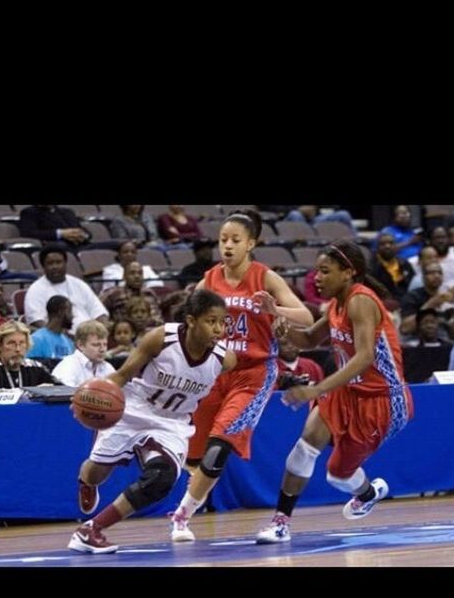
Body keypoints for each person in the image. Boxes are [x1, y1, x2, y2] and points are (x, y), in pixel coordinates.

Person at [252, 240, 413, 542]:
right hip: (346, 392)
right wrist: (277, 316)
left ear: (348, 272)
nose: (317, 278)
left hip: (381, 401)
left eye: (325, 271)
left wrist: (317, 390)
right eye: (316, 271)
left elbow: (364, 357)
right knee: (305, 446)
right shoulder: (338, 303)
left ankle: (367, 493)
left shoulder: (361, 301)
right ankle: (280, 523)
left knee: (337, 476)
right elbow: (310, 339)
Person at [168, 208, 314, 543]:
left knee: (221, 444)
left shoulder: (265, 277)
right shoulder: (210, 279)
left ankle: (181, 515)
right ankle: (190, 501)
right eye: (223, 240)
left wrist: (274, 310)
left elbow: (305, 316)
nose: (227, 246)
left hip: (254, 373)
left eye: (235, 240)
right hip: (214, 371)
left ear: (251, 243)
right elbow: (189, 321)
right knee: (195, 453)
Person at [68, 288, 236, 554]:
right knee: (95, 472)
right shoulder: (161, 338)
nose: (218, 329)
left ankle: (91, 529)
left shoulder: (225, 359)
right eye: (210, 321)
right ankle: (86, 481)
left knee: (162, 478)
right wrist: (84, 397)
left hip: (172, 422)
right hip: (134, 409)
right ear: (191, 321)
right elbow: (123, 375)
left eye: (222, 322)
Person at [24, 243, 108, 332]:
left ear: (65, 263)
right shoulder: (35, 290)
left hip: (90, 337)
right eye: (50, 263)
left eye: (59, 262)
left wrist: (100, 331)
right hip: (59, 339)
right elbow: (37, 321)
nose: (55, 267)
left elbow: (99, 312)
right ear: (43, 266)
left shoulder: (78, 284)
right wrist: (63, 338)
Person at [0, 321, 59, 390]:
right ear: (0, 346)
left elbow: (62, 390)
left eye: (22, 343)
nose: (18, 349)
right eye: (11, 343)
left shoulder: (36, 367)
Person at [100, 261, 164, 327]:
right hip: (125, 333)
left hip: (155, 330)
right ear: (124, 276)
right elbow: (98, 311)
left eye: (140, 273)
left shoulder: (150, 293)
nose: (137, 276)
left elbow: (159, 315)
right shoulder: (114, 293)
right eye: (132, 273)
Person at [52, 320, 114, 387]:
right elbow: (63, 395)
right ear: (81, 345)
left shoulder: (107, 367)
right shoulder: (68, 366)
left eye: (105, 344)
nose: (102, 349)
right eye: (96, 345)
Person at [401, 307, 454, 383]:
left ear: (437, 324)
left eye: (432, 322)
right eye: (425, 322)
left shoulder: (449, 348)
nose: (429, 326)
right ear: (418, 326)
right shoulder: (411, 350)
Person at [25, 295, 75, 363]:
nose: (73, 316)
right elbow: (32, 369)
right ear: (60, 312)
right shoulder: (36, 340)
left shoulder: (69, 342)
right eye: (69, 311)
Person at [18, 205, 91, 248]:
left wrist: (83, 235)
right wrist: (60, 234)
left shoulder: (67, 212)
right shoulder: (29, 212)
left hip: (79, 244)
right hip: (55, 245)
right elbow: (29, 233)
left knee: (100, 246)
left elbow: (81, 229)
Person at [370, 233, 415, 302]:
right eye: (383, 244)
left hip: (406, 301)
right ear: (377, 247)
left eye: (391, 243)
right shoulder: (372, 267)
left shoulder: (404, 264)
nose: (387, 246)